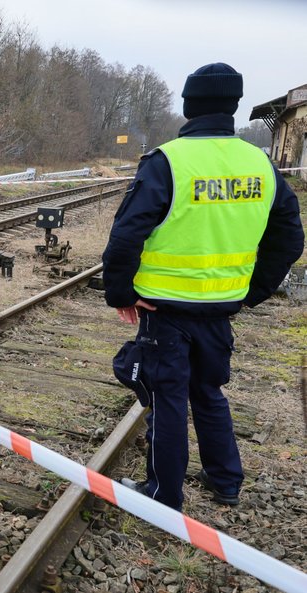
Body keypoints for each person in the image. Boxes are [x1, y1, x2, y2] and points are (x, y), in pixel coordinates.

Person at [103, 63, 304, 511]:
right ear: (233, 106)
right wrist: (253, 291)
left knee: (167, 398)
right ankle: (226, 482)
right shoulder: (260, 164)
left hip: (165, 311)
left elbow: (126, 235)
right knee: (209, 392)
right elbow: (290, 238)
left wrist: (119, 291)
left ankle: (162, 495)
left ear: (188, 106)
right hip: (221, 310)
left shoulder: (167, 161)